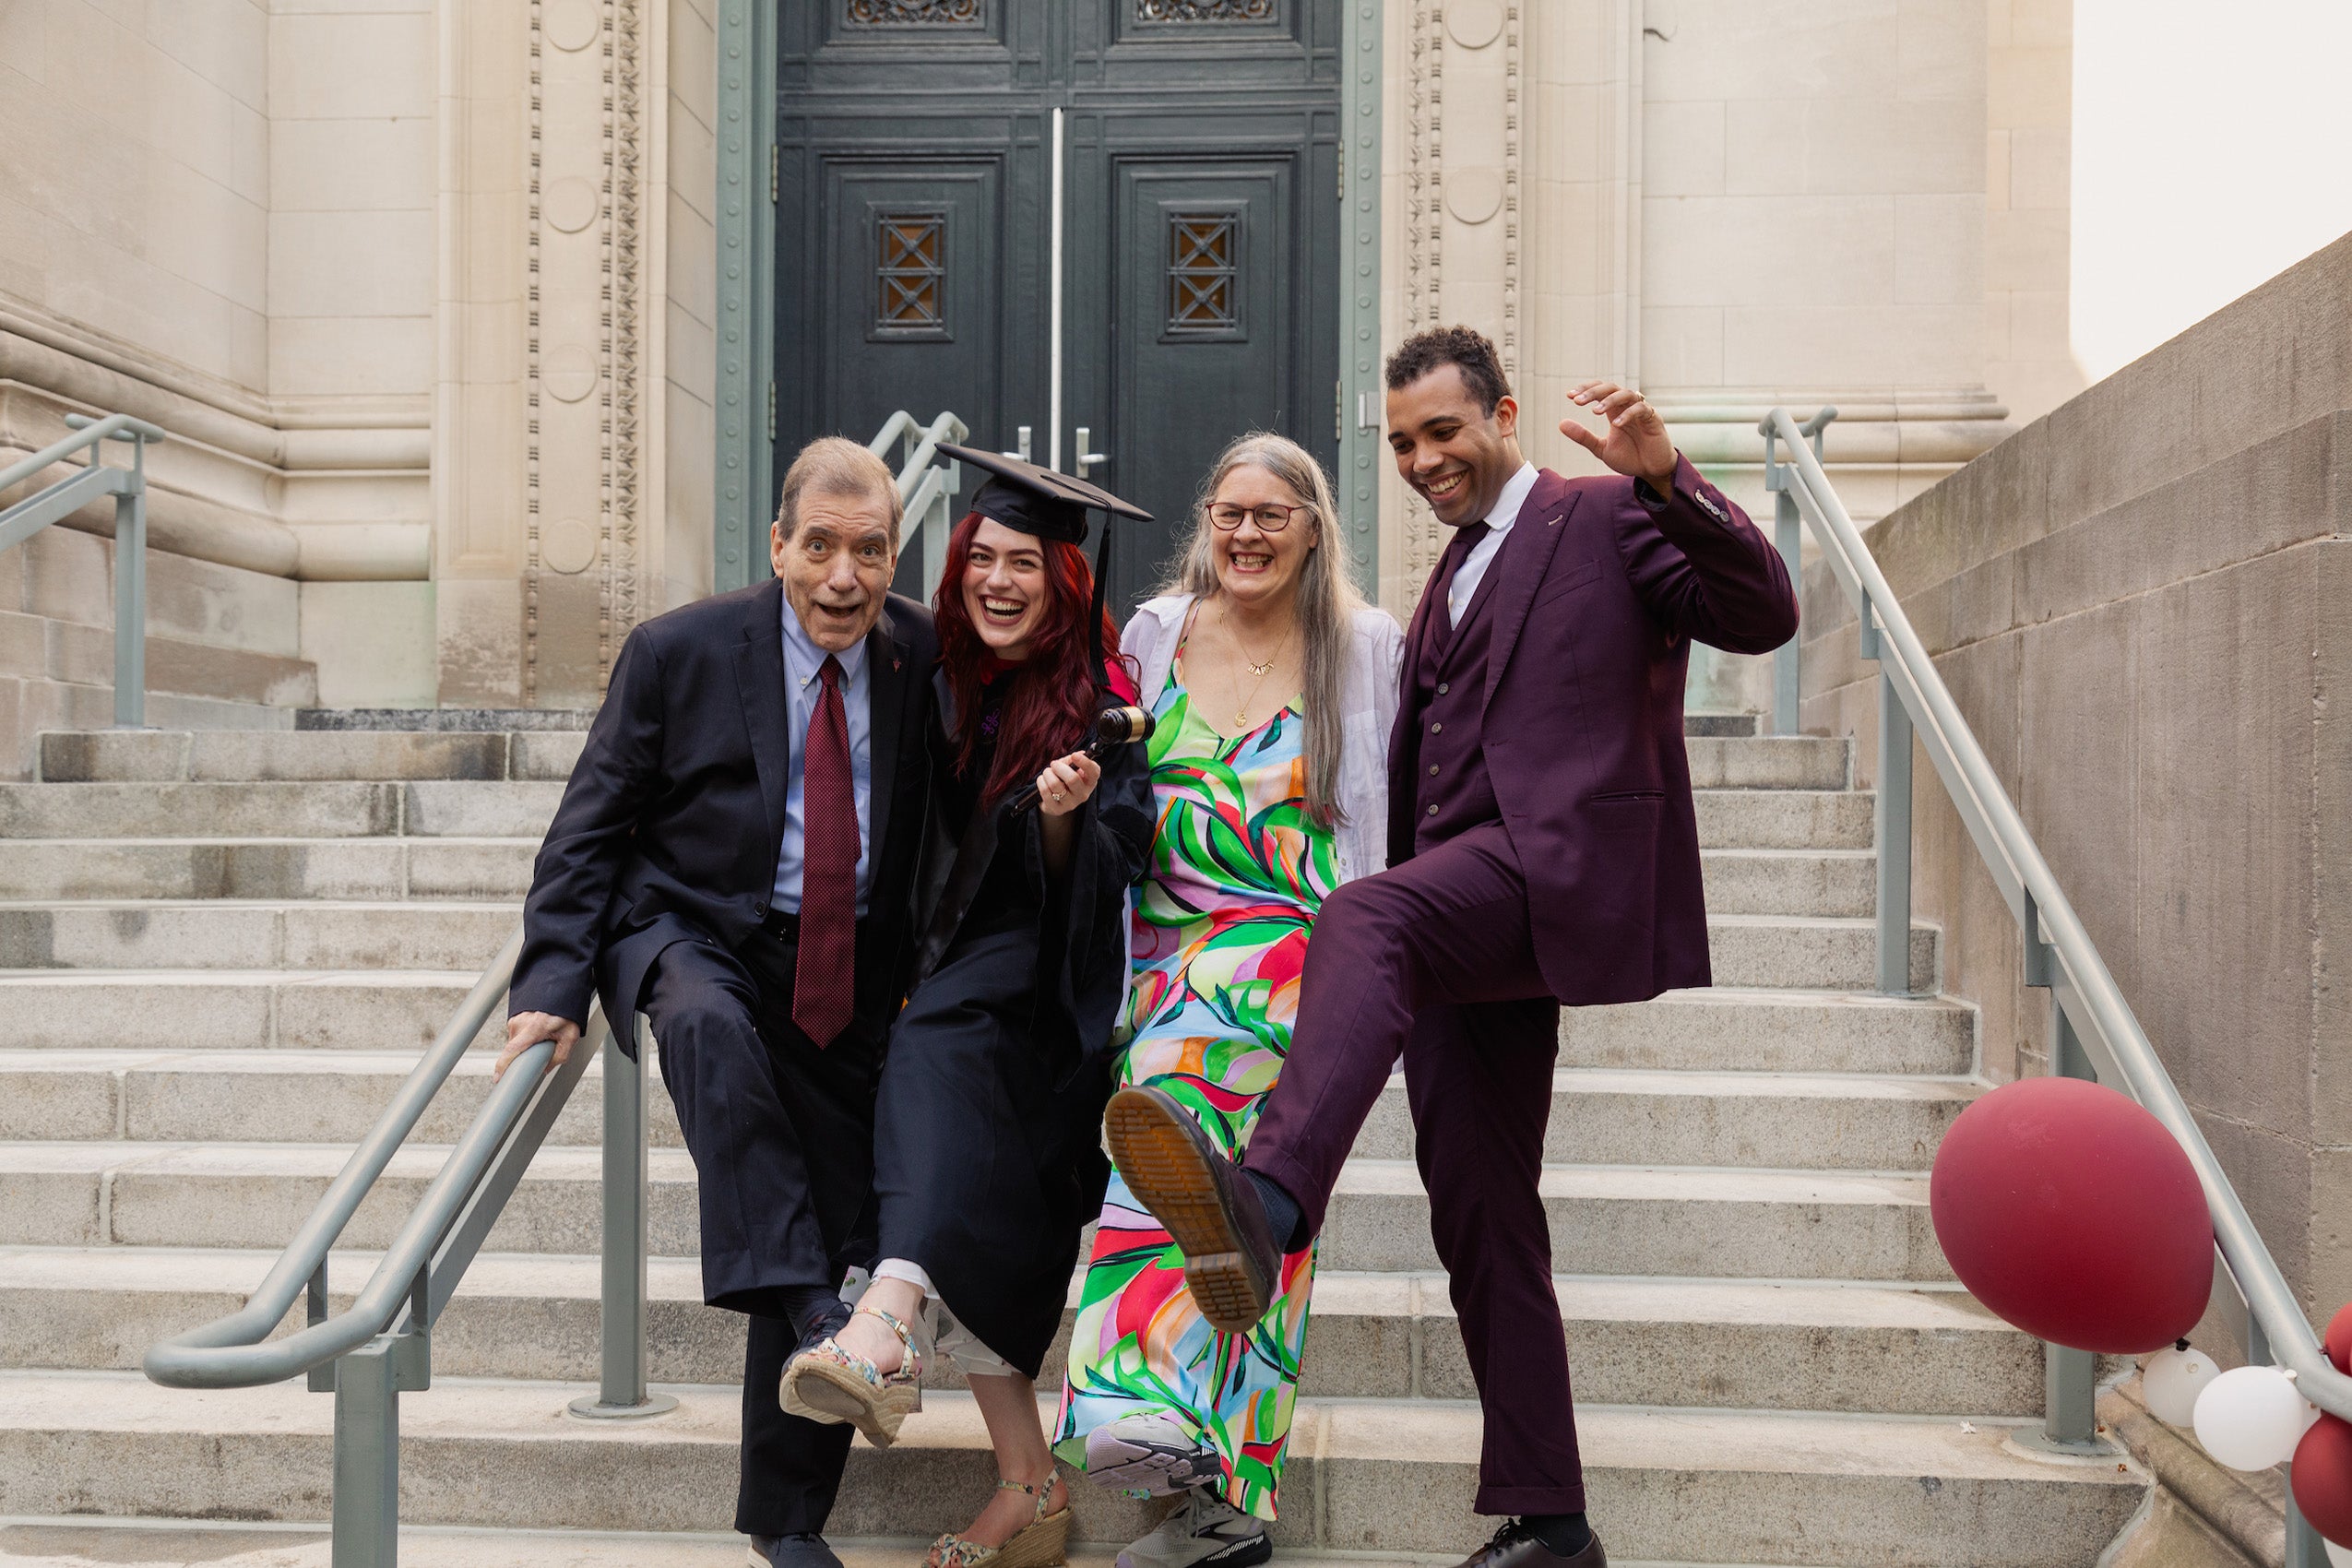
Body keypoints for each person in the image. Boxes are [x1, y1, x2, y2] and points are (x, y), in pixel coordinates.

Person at [1104, 327, 1801, 1568]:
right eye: (1404, 443)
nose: (1426, 458)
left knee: (1358, 913)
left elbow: (1758, 612)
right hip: (1461, 922)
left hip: (1548, 874)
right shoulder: (1443, 584)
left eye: (1445, 430)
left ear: (1502, 414)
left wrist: (1664, 474)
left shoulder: (1598, 519)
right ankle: (1552, 1518)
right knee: (1480, 1208)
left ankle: (1262, 1204)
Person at [498, 438, 939, 1568]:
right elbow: (589, 823)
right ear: (781, 544)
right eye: (823, 547)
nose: (845, 576)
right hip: (690, 928)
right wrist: (552, 980)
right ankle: (817, 1316)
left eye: (871, 550)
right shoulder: (678, 650)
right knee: (705, 1027)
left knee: (830, 1203)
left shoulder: (923, 656)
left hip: (842, 962)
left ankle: (788, 1521)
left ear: (897, 551)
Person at [779, 448, 1155, 1568]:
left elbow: (1110, 870)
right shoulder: (930, 676)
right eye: (981, 556)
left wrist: (1059, 818)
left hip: (1034, 997)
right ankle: (1028, 1487)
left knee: (938, 1068)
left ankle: (881, 1324)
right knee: (976, 1217)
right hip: (933, 982)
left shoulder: (1102, 703)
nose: (998, 579)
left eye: (1023, 562)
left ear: (1064, 580)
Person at [1050, 433, 1401, 1568]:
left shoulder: (1359, 649)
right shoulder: (1155, 637)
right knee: (1256, 1222)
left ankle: (1132, 1399)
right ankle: (1221, 1510)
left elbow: (1380, 830)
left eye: (1273, 515)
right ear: (1207, 521)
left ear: (1313, 527)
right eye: (1230, 513)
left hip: (1289, 954)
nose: (1247, 534)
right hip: (1158, 952)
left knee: (1168, 1124)